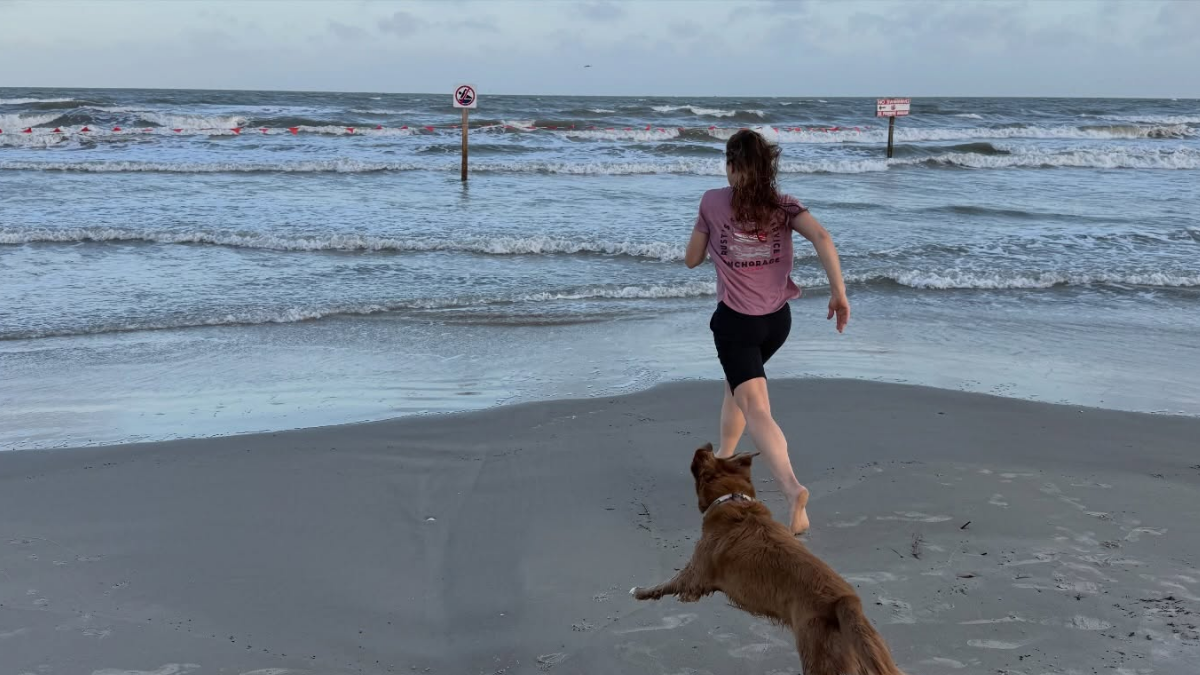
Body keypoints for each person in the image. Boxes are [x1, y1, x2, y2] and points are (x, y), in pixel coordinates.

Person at [685, 129, 850, 535]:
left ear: (731, 166)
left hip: (737, 323)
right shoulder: (785, 205)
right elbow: (823, 238)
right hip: (777, 322)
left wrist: (710, 233)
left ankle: (793, 490)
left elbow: (691, 260)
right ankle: (724, 458)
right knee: (737, 387)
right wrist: (838, 294)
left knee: (756, 406)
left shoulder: (711, 201)